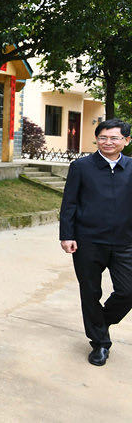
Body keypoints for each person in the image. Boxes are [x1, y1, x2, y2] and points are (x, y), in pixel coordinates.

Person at [60, 118, 132, 366]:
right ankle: (100, 343)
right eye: (103, 137)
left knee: (127, 291)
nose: (108, 142)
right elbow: (69, 203)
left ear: (126, 140)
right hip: (87, 241)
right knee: (90, 292)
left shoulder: (131, 168)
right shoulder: (81, 167)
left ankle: (99, 321)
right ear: (97, 140)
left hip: (124, 242)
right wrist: (66, 235)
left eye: (114, 138)